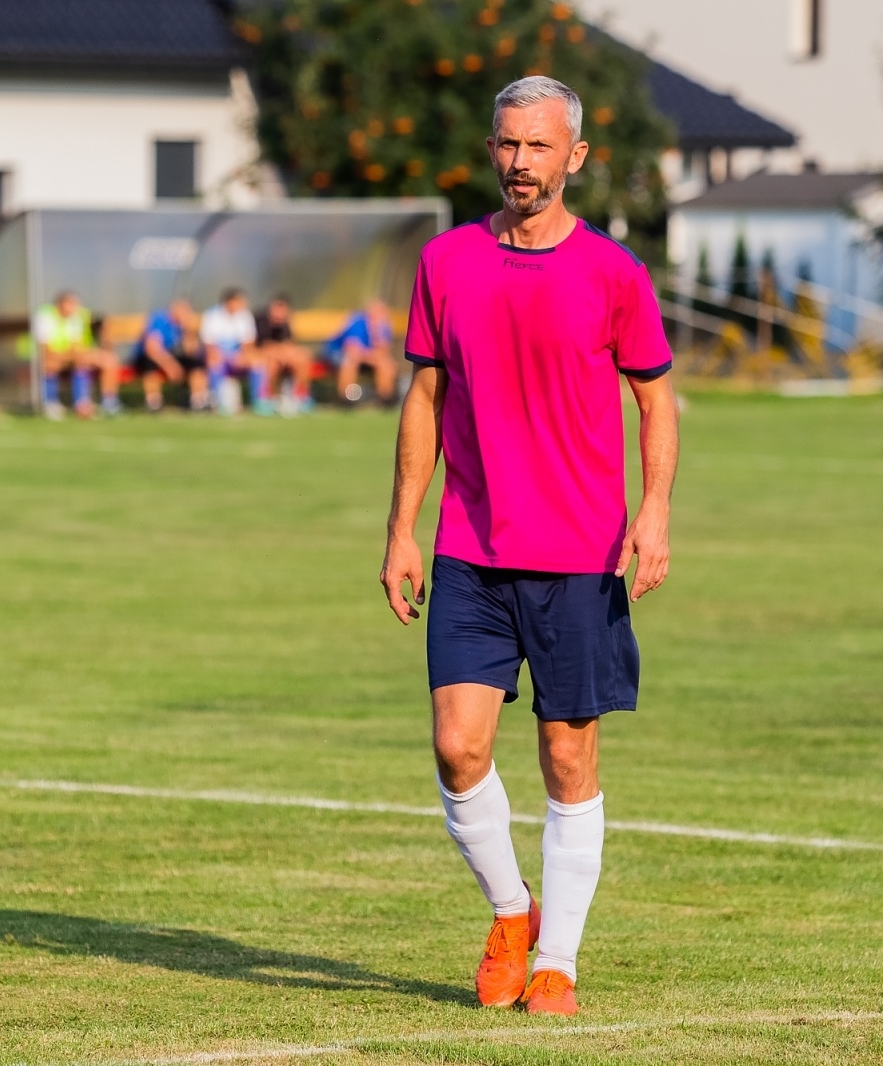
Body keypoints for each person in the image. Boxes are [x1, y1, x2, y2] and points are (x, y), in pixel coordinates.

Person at [378, 78, 679, 1016]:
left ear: (576, 158)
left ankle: (558, 961)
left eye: (540, 148)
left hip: (581, 557)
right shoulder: (447, 263)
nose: (520, 164)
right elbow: (423, 399)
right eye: (508, 145)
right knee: (458, 748)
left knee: (566, 758)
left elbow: (655, 396)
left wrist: (655, 508)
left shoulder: (614, 273)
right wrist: (402, 530)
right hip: (471, 549)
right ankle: (513, 911)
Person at [33, 291, 121, 419]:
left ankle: (99, 403)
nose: (76, 308)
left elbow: (76, 346)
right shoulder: (45, 316)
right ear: (61, 304)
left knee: (107, 360)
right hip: (47, 357)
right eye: (72, 304)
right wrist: (73, 355)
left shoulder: (75, 317)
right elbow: (45, 350)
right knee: (50, 364)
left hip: (68, 357)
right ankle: (50, 403)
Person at [133, 298, 205, 412]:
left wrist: (188, 331)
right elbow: (152, 349)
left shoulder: (181, 326)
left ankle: (199, 401)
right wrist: (171, 366)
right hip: (147, 357)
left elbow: (191, 351)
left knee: (195, 364)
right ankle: (154, 402)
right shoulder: (159, 319)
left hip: (168, 356)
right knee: (149, 365)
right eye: (185, 311)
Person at [323, 299, 396, 405]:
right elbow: (352, 351)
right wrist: (372, 357)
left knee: (386, 364)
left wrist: (377, 335)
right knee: (349, 362)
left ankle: (386, 398)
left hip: (364, 357)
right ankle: (345, 398)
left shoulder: (383, 327)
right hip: (335, 353)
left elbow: (383, 352)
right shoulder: (358, 322)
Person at [199, 288, 259, 415]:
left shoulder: (245, 315)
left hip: (238, 358)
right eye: (239, 302)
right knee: (214, 363)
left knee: (258, 363)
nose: (242, 305)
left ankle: (258, 402)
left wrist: (242, 356)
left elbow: (248, 344)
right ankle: (218, 403)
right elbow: (210, 346)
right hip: (219, 357)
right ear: (229, 302)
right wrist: (224, 357)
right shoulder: (212, 315)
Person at [254, 294, 315, 415]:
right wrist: (281, 353)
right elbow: (262, 347)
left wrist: (287, 355)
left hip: (282, 358)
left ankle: (301, 397)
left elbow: (288, 344)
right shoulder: (259, 321)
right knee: (272, 364)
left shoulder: (285, 324)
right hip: (262, 358)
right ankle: (267, 399)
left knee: (302, 359)